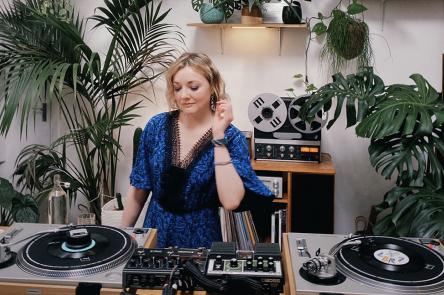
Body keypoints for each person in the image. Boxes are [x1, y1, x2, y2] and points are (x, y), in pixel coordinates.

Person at [121, 52, 274, 248]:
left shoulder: (232, 137)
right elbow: (139, 189)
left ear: (213, 86)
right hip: (155, 232)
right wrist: (124, 238)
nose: (184, 95)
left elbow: (231, 201)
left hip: (201, 239)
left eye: (193, 87)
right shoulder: (156, 126)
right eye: (177, 88)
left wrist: (218, 136)